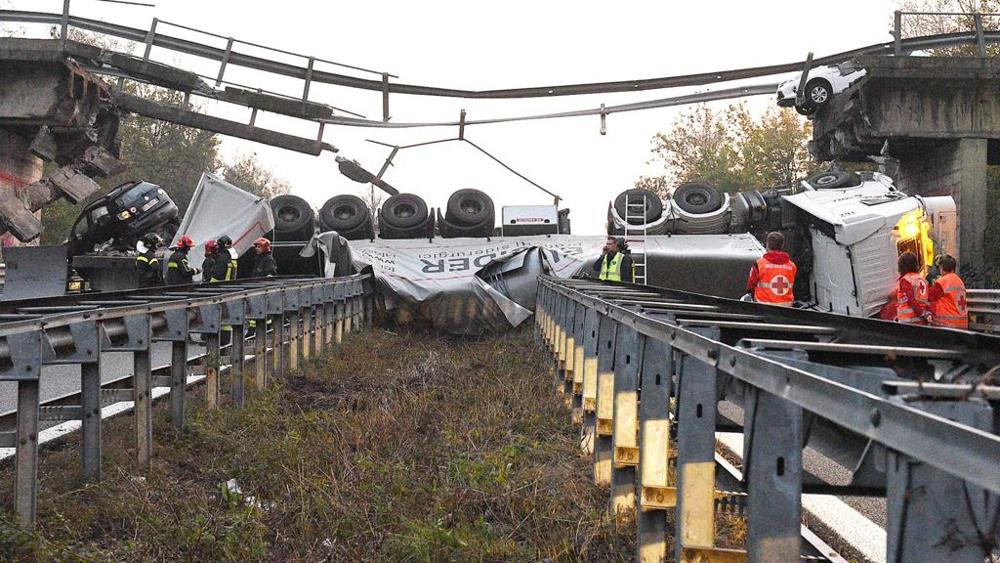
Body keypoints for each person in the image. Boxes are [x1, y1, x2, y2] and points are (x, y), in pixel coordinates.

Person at [746, 231, 797, 306]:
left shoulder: (759, 264)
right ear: (782, 245)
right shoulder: (792, 266)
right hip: (786, 309)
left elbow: (750, 287)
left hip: (763, 308)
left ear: (767, 245)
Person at [928, 254, 968, 329]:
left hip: (946, 325)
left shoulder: (942, 282)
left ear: (941, 268)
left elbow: (930, 298)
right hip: (963, 324)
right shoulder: (959, 281)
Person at [893, 251, 929, 325]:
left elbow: (911, 300)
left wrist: (921, 313)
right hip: (921, 321)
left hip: (909, 321)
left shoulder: (906, 280)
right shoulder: (922, 279)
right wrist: (925, 314)